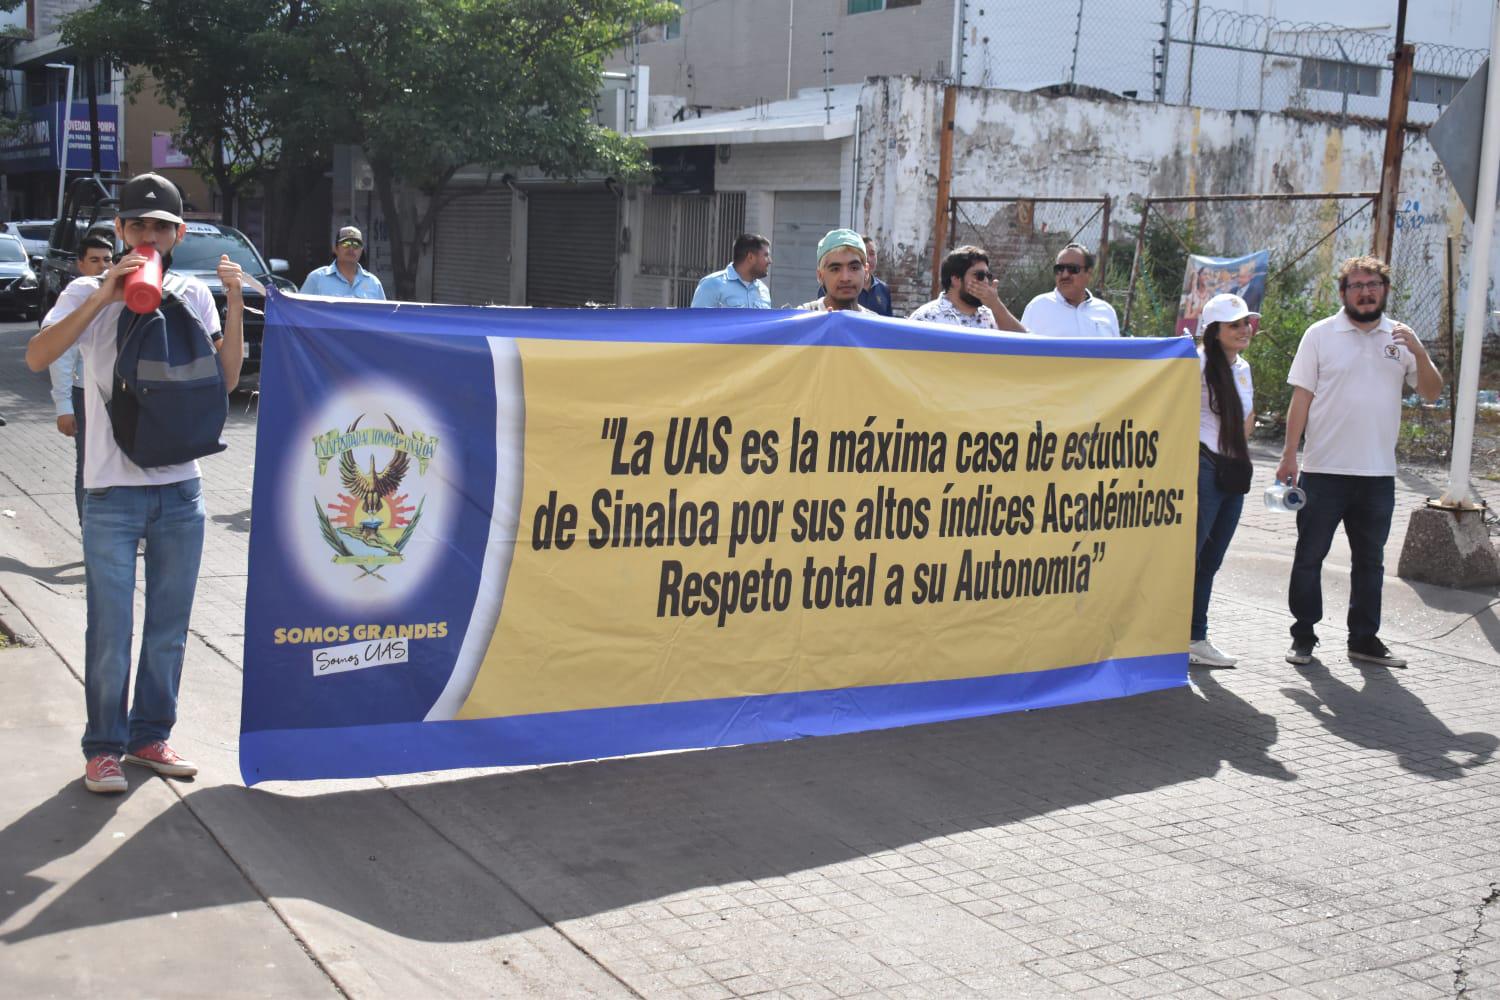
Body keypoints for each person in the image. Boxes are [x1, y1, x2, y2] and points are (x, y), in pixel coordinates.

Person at [24, 172, 245, 794]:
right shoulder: (82, 292)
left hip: (181, 489)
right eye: (136, 225)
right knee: (110, 625)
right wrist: (105, 294)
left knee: (169, 626)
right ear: (120, 230)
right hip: (110, 491)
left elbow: (224, 386)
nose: (147, 236)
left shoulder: (191, 295)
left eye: (159, 227)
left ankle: (150, 735)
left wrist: (230, 301)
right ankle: (104, 747)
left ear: (177, 234)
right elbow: (39, 358)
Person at [1276, 256, 1443, 669]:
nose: (1366, 291)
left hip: (1377, 476)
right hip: (1323, 471)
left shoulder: (1401, 338)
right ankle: (1303, 637)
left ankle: (1364, 641)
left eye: (1373, 284)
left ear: (1384, 289)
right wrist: (1288, 454)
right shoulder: (1320, 335)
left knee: (1370, 562)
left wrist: (1419, 353)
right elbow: (1302, 397)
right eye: (1356, 285)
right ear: (1343, 293)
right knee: (1310, 556)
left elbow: (1431, 393)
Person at [1189, 293, 1258, 669]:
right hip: (1203, 466)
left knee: (1211, 559)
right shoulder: (1195, 365)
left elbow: (1249, 416)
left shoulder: (1243, 367)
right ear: (1214, 332)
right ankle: (1182, 636)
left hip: (1234, 468)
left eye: (1246, 323)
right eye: (1235, 324)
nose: (1244, 329)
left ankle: (1194, 635)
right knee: (1189, 557)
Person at [48, 229, 115, 524]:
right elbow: (61, 356)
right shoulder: (77, 297)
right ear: (80, 264)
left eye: (108, 259)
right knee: (89, 465)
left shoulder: (118, 292)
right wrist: (63, 407)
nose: (103, 266)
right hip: (85, 395)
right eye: (95, 260)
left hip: (120, 394)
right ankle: (89, 532)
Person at [908, 245, 1025, 330]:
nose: (985, 281)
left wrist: (996, 305)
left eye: (987, 276)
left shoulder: (991, 316)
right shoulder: (926, 318)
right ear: (956, 279)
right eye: (979, 275)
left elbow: (1025, 345)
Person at [1021, 243, 1120, 338]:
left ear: (1088, 274)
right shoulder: (1038, 307)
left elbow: (1116, 353)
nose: (1065, 275)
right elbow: (1021, 349)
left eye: (1073, 269)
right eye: (1059, 269)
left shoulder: (1106, 312)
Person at [799, 229, 874, 313]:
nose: (845, 278)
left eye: (854, 268)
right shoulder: (801, 318)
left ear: (866, 272)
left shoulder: (874, 323)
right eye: (835, 269)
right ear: (820, 276)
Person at [301, 225, 386, 299]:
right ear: (335, 248)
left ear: (361, 251)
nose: (351, 249)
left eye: (356, 245)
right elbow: (299, 311)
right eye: (346, 244)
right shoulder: (316, 279)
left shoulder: (373, 283)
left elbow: (383, 316)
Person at [691, 233, 772, 308]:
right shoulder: (712, 284)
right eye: (766, 255)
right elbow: (697, 321)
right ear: (750, 257)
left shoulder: (763, 290)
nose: (770, 261)